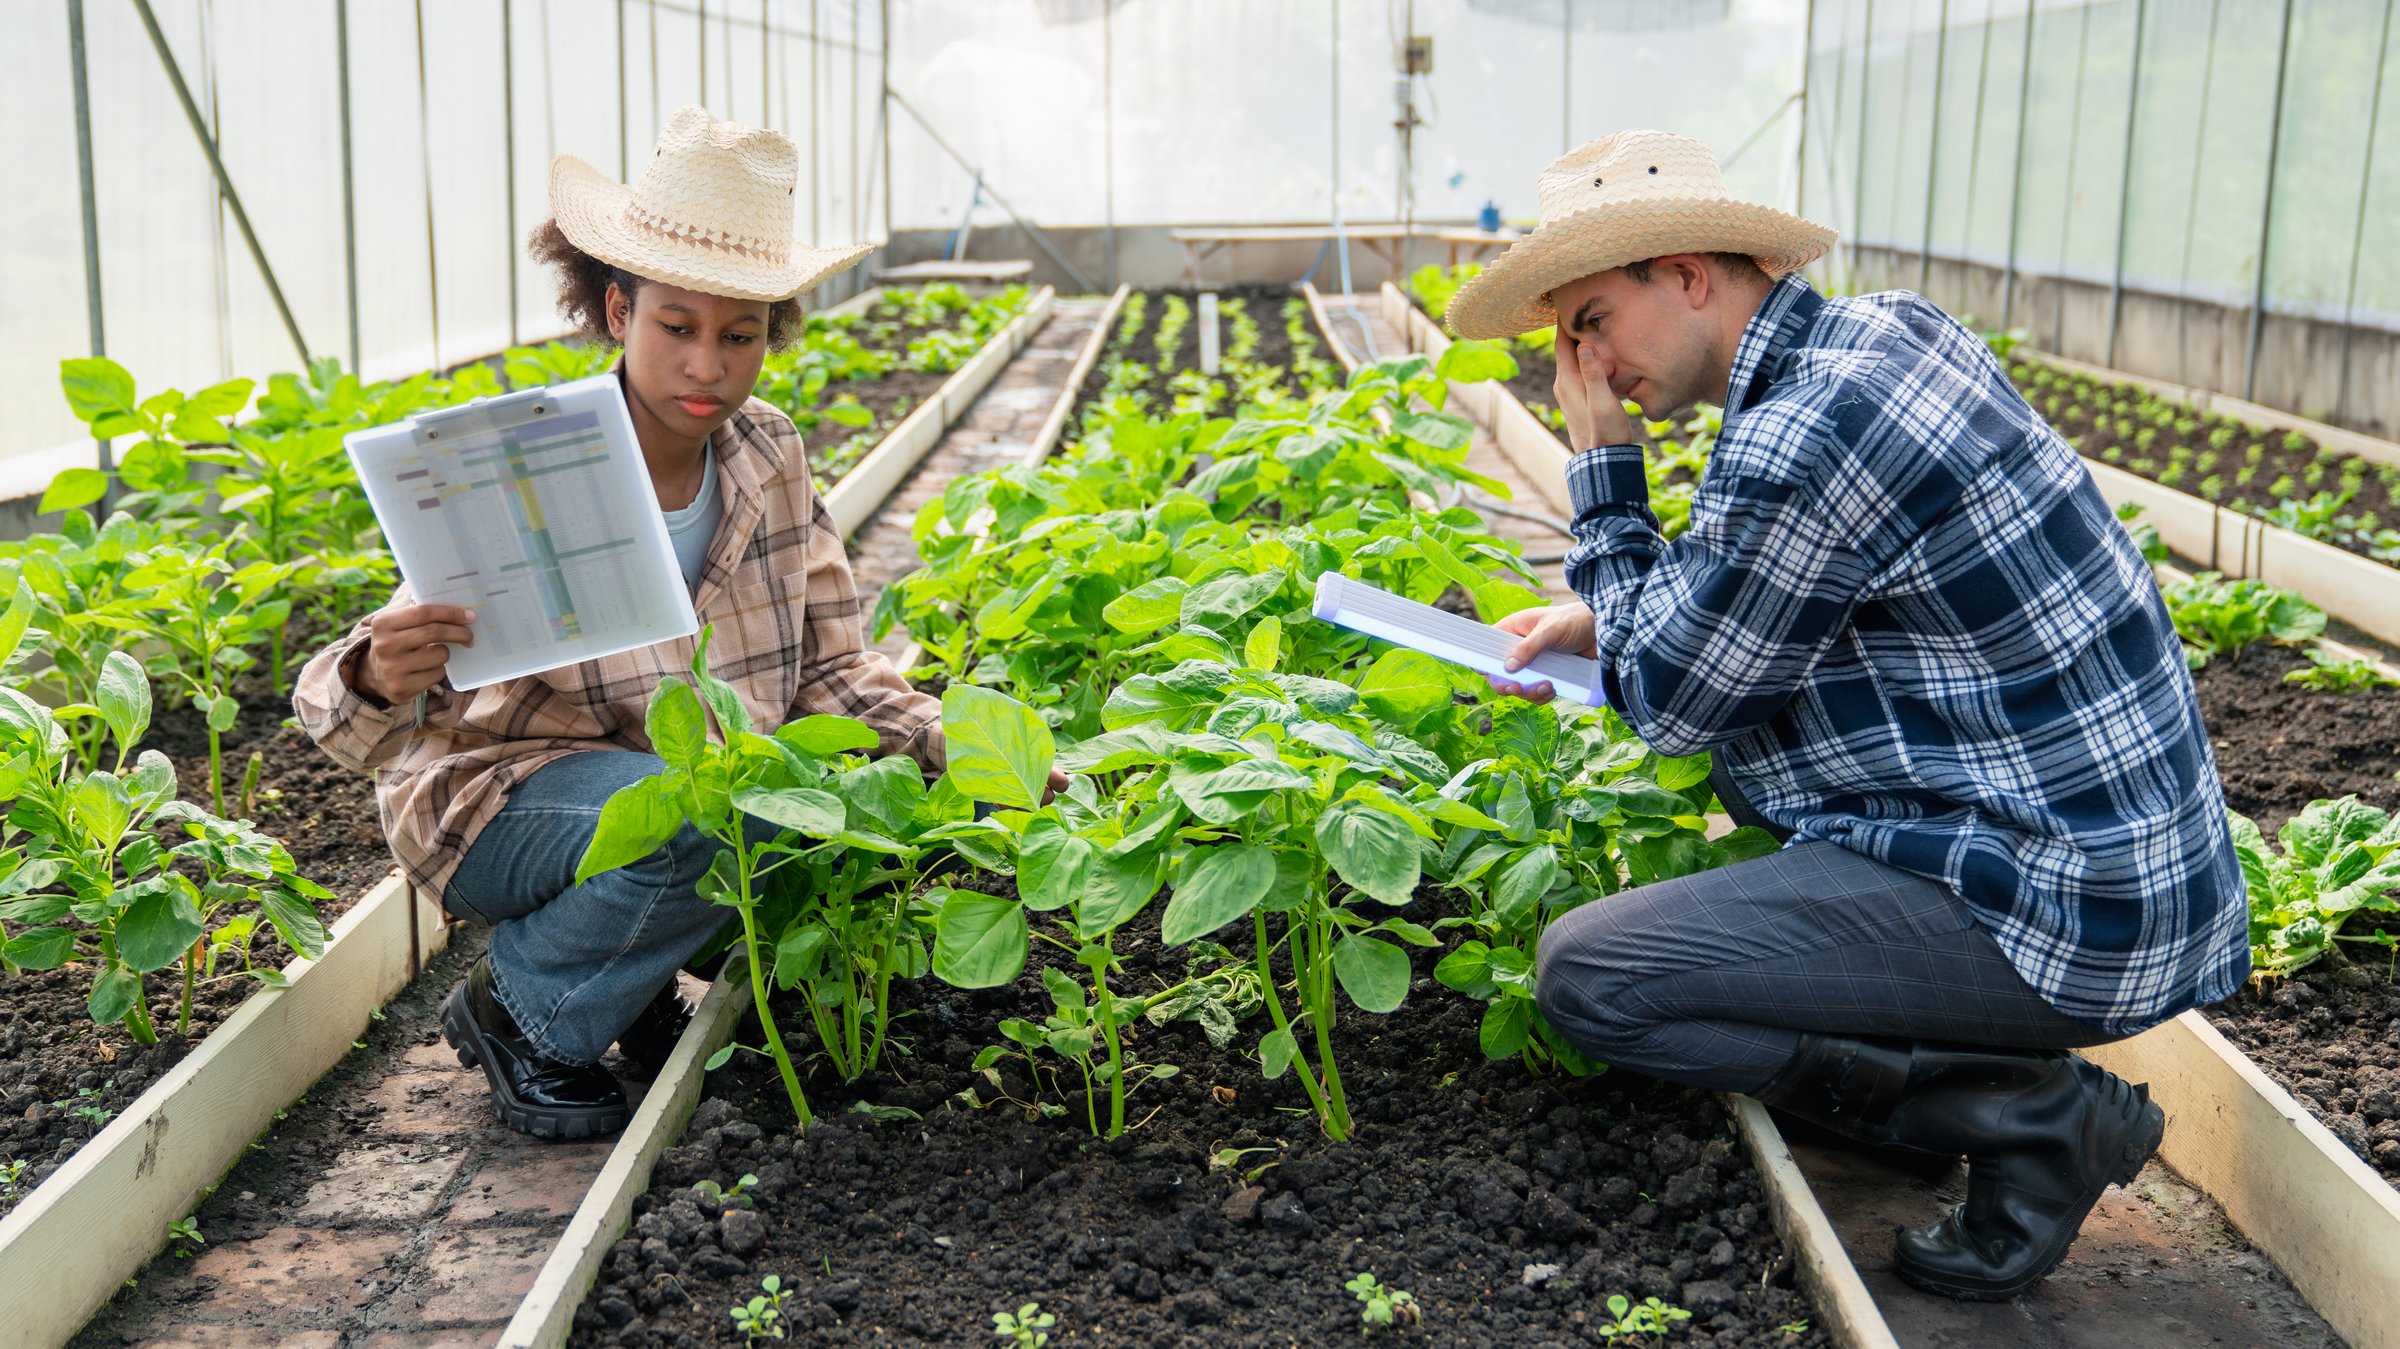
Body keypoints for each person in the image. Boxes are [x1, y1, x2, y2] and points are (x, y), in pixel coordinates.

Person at [1449, 130, 2247, 1300]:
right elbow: (1759, 610)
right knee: (1741, 803)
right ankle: (1942, 1085)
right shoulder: (1885, 333)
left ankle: (2030, 1115)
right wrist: (1605, 618)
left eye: (1590, 321)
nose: (1583, 364)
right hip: (2124, 871)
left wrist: (1605, 476)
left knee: (1593, 976)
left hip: (2065, 911)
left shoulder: (1803, 432)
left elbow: (1676, 701)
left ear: (1683, 273)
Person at [295, 107, 1051, 1141]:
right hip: (497, 798)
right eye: (677, 327)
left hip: (658, 792)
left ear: (772, 334)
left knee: (795, 803)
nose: (708, 366)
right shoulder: (531, 458)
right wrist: (381, 672)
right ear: (617, 310)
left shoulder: (768, 454)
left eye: (740, 335)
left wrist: (951, 742)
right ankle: (522, 1008)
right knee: (711, 804)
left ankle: (628, 972)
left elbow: (832, 667)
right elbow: (345, 710)